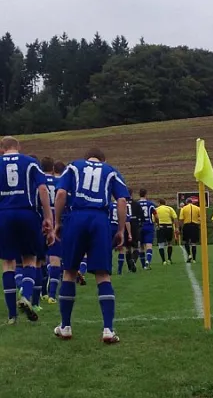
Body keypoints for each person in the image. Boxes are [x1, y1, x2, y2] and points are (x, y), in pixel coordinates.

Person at [54, 147, 129, 343]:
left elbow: (61, 193)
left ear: (86, 158)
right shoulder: (111, 170)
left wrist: (57, 222)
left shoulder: (73, 166)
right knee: (103, 275)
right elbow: (121, 200)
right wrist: (120, 230)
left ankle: (65, 326)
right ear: (103, 160)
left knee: (69, 271)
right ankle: (108, 329)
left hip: (76, 217)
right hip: (99, 219)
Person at [0, 136, 54, 324]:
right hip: (27, 213)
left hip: (4, 214)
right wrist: (48, 217)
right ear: (19, 147)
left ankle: (12, 316)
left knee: (8, 263)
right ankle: (27, 296)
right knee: (30, 259)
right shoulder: (30, 162)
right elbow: (43, 189)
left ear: (2, 149)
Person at [40, 156, 62, 305]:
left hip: (41, 219)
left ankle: (40, 291)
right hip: (56, 219)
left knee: (37, 259)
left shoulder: (38, 183)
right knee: (55, 258)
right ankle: (52, 295)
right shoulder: (60, 182)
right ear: (53, 169)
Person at [138, 189, 159, 270]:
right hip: (149, 226)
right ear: (146, 194)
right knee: (149, 245)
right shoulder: (150, 204)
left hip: (139, 226)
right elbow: (156, 216)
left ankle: (143, 265)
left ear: (139, 195)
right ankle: (148, 262)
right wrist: (157, 223)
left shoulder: (136, 204)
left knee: (141, 246)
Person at [109, 200, 131, 274]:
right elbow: (127, 221)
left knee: (109, 249)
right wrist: (129, 233)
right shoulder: (122, 207)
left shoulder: (110, 205)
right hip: (119, 229)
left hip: (110, 228)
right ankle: (119, 270)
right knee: (121, 249)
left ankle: (109, 267)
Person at [156, 198, 179, 265]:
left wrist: (157, 224)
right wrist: (177, 228)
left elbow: (154, 218)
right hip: (169, 227)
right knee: (169, 243)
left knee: (161, 244)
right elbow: (175, 218)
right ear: (165, 203)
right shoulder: (169, 208)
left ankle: (163, 261)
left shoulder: (156, 209)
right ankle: (169, 259)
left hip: (160, 227)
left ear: (159, 203)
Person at [124, 187, 142, 272]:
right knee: (136, 247)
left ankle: (129, 267)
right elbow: (141, 216)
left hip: (125, 226)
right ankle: (133, 261)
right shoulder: (136, 204)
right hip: (134, 225)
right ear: (131, 194)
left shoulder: (122, 204)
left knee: (127, 248)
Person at [179, 198, 201, 263]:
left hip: (187, 226)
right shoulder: (197, 208)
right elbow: (201, 217)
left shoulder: (183, 208)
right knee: (194, 243)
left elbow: (181, 219)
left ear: (186, 202)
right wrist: (198, 223)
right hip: (195, 225)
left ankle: (189, 255)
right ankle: (194, 259)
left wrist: (180, 228)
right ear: (192, 202)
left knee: (186, 241)